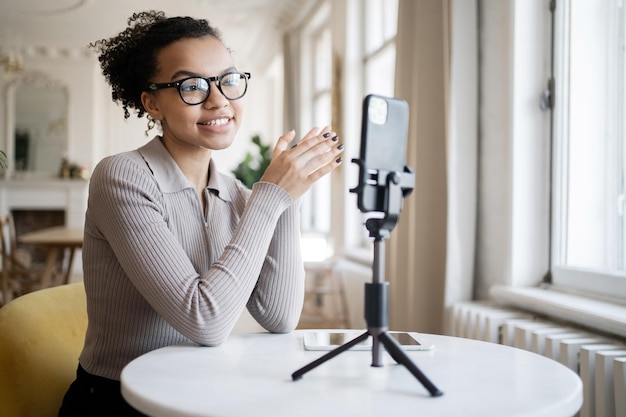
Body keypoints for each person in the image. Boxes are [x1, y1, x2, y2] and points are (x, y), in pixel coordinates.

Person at [58, 10, 343, 417]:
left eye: (228, 80)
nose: (218, 100)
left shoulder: (240, 195)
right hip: (118, 400)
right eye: (191, 85)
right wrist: (271, 194)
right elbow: (204, 321)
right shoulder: (120, 176)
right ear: (152, 102)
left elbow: (279, 317)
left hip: (199, 392)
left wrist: (287, 198)